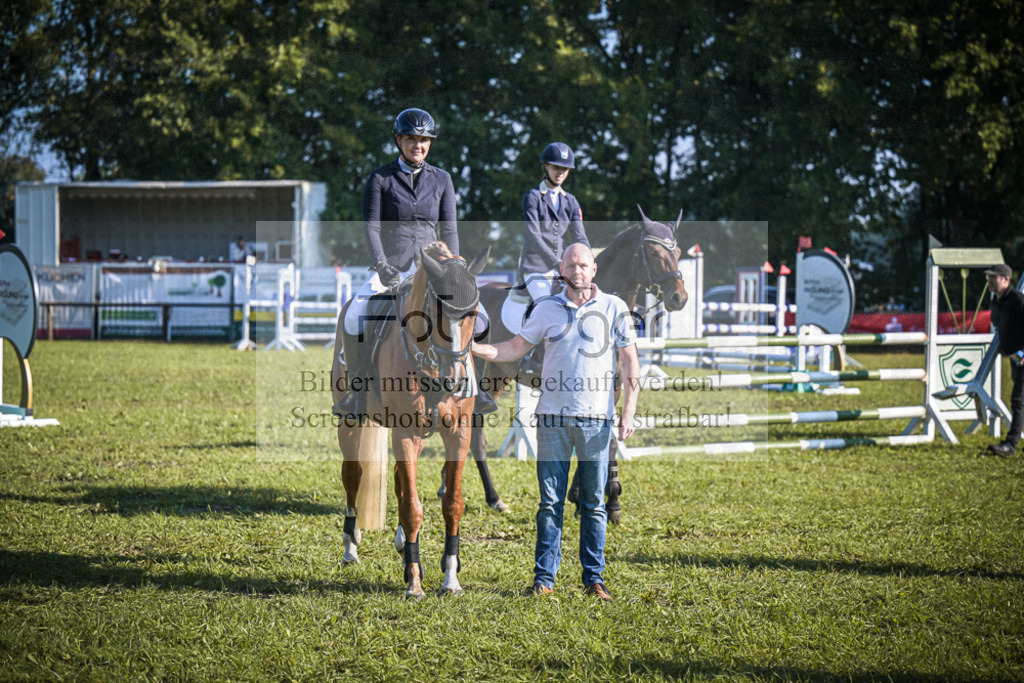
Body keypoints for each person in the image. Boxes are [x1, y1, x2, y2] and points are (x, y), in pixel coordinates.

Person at [472, 243, 640, 601]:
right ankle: (544, 579)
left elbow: (629, 363)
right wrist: (474, 348)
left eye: (583, 265)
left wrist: (628, 412)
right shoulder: (546, 308)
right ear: (562, 269)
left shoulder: (615, 308)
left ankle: (594, 579)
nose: (577, 270)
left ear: (594, 269)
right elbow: (514, 348)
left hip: (597, 420)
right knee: (550, 504)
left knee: (594, 503)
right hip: (551, 419)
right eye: (571, 265)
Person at [334, 107, 460, 419]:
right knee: (355, 314)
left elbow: (451, 229)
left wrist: (453, 269)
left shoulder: (443, 179)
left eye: (424, 139)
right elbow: (372, 227)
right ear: (398, 140)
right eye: (411, 139)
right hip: (392, 268)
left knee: (471, 312)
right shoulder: (381, 178)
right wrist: (380, 262)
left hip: (433, 268)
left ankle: (474, 390)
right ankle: (357, 391)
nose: (418, 144)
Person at [518, 142, 590, 303]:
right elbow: (534, 235)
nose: (560, 172)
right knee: (547, 304)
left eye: (564, 169)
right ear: (545, 166)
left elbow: (580, 237)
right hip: (536, 268)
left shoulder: (571, 201)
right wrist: (556, 262)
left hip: (564, 268)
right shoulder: (533, 197)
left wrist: (589, 261)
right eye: (556, 167)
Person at [985, 263, 1024, 456]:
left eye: (994, 277)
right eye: (989, 277)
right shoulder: (996, 301)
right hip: (1016, 358)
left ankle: (1011, 444)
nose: (990, 281)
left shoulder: (1018, 299)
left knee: (1018, 400)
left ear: (1006, 280)